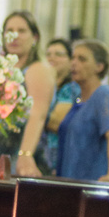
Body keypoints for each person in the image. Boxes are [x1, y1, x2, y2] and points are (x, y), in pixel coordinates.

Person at [57, 39, 109, 182]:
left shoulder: (104, 94)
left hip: (92, 185)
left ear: (99, 66)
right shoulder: (78, 100)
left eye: (82, 59)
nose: (73, 63)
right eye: (73, 58)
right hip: (69, 183)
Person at [0, 10, 55, 176]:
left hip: (21, 153)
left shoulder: (37, 69)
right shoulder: (1, 70)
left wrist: (25, 155)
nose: (14, 36)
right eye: (9, 31)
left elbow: (37, 113)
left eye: (21, 31)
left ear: (35, 38)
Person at [42, 37, 80, 172]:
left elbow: (56, 123)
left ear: (71, 61)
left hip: (56, 155)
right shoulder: (46, 85)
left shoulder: (71, 88)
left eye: (59, 54)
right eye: (48, 54)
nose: (51, 58)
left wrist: (29, 112)